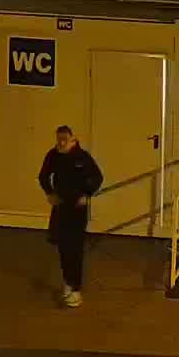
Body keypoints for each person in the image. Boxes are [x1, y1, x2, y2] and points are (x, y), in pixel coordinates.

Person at [38, 125, 103, 308]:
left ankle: (76, 289)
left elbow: (97, 177)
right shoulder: (53, 155)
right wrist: (49, 193)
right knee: (63, 246)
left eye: (64, 139)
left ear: (72, 139)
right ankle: (68, 282)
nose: (61, 143)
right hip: (60, 206)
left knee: (75, 247)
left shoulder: (82, 157)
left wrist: (86, 194)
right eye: (58, 139)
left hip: (77, 208)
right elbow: (43, 176)